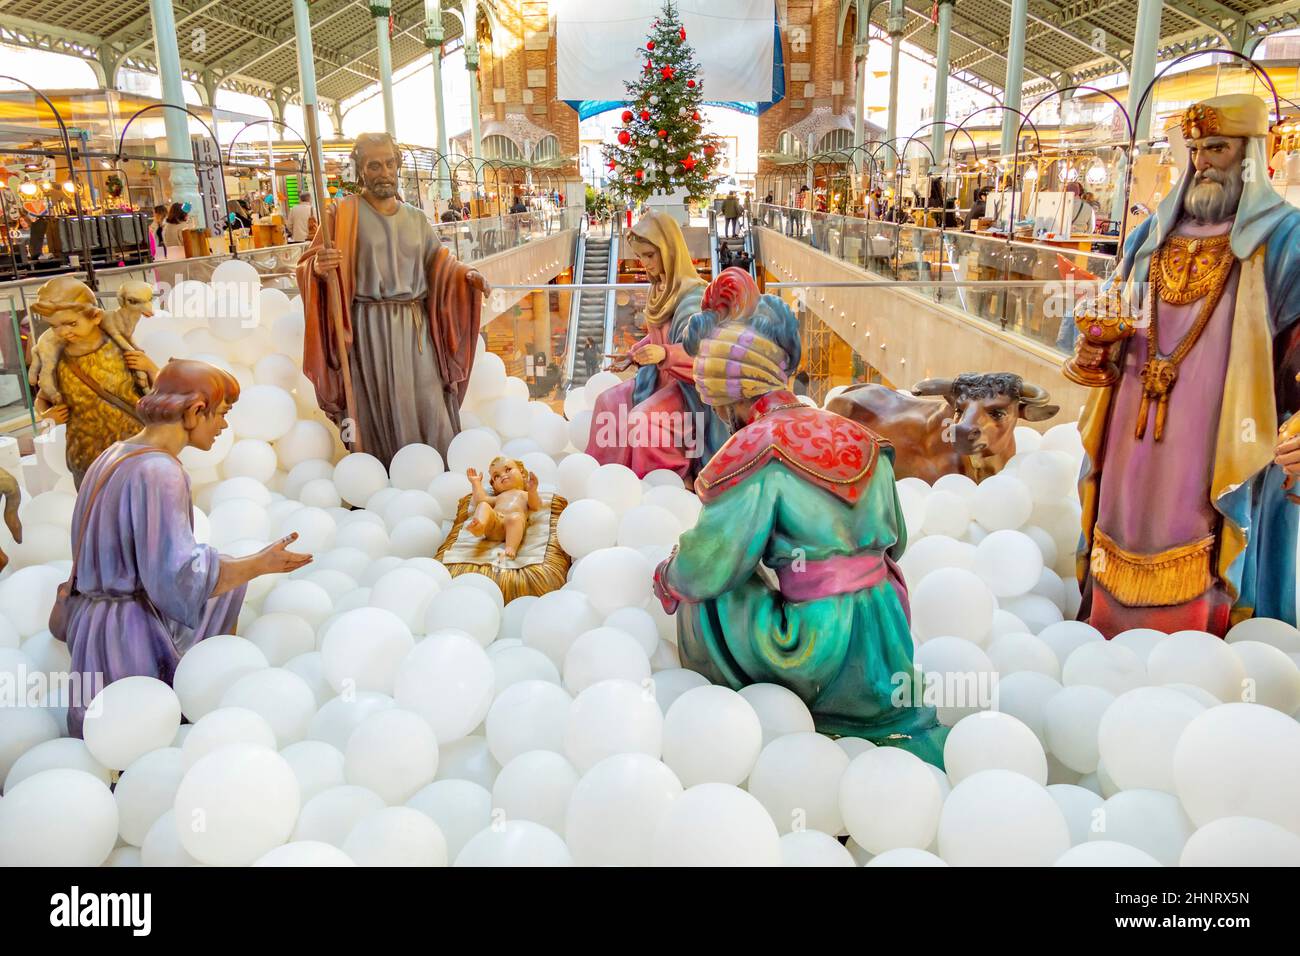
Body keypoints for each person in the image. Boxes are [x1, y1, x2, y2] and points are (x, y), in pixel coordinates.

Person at [652, 269, 947, 766]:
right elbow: (895, 544)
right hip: (887, 626)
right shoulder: (857, 435)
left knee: (701, 598)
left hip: (813, 646)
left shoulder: (754, 449)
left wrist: (668, 577)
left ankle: (738, 721)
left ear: (728, 395)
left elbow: (712, 563)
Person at [1072, 94, 1300, 637]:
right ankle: (1108, 628)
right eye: (1194, 149)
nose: (1201, 162)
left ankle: (1209, 652)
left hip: (1224, 434)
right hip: (1133, 424)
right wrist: (1092, 349)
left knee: (1206, 523)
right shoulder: (1151, 235)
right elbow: (1109, 309)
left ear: (1250, 153)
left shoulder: (1284, 238)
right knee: (1122, 515)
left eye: (1216, 147)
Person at [59, 359, 312, 737]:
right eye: (222, 414)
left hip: (89, 626)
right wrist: (259, 564)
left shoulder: (113, 453)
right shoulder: (160, 471)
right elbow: (174, 579)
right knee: (143, 737)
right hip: (130, 637)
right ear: (195, 411)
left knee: (223, 581)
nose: (224, 425)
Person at [296, 132, 490, 467]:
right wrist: (318, 267)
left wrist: (466, 276)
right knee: (379, 404)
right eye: (374, 165)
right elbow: (307, 265)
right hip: (367, 329)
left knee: (428, 400)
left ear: (397, 165)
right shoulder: (342, 215)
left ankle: (436, 471)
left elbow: (439, 263)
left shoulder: (415, 217)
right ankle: (382, 476)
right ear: (360, 171)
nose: (383, 171)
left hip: (415, 328)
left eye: (389, 163)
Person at [585, 212, 729, 479]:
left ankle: (660, 482)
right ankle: (609, 476)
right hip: (658, 377)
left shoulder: (694, 296)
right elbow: (659, 335)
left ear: (670, 251)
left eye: (650, 255)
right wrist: (635, 353)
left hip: (687, 388)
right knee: (607, 401)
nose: (645, 263)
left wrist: (664, 354)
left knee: (644, 419)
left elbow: (701, 352)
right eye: (640, 256)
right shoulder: (659, 288)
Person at [30, 277, 158, 488]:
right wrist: (48, 417)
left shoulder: (121, 350)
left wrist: (150, 367)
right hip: (87, 457)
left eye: (71, 323)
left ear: (96, 317)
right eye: (54, 326)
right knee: (98, 515)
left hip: (135, 449)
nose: (63, 332)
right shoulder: (58, 362)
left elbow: (158, 389)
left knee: (142, 507)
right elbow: (42, 400)